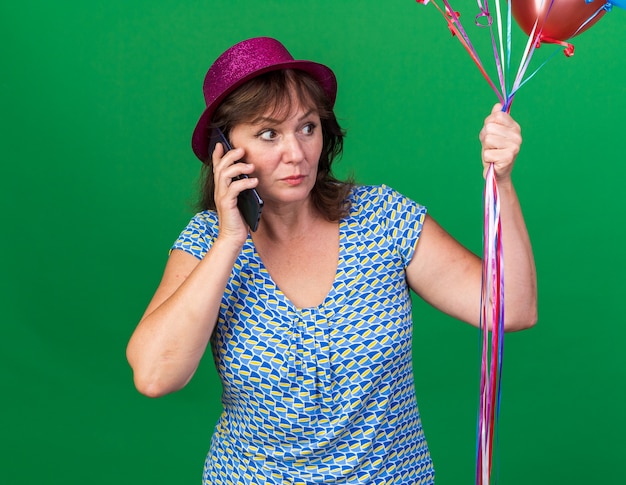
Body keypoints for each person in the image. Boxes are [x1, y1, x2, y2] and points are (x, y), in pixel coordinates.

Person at [126, 36, 537, 485]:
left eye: (307, 127)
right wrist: (230, 239)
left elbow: (511, 307)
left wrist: (502, 182)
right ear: (224, 150)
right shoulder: (207, 243)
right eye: (269, 133)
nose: (296, 153)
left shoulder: (382, 218)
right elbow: (154, 376)